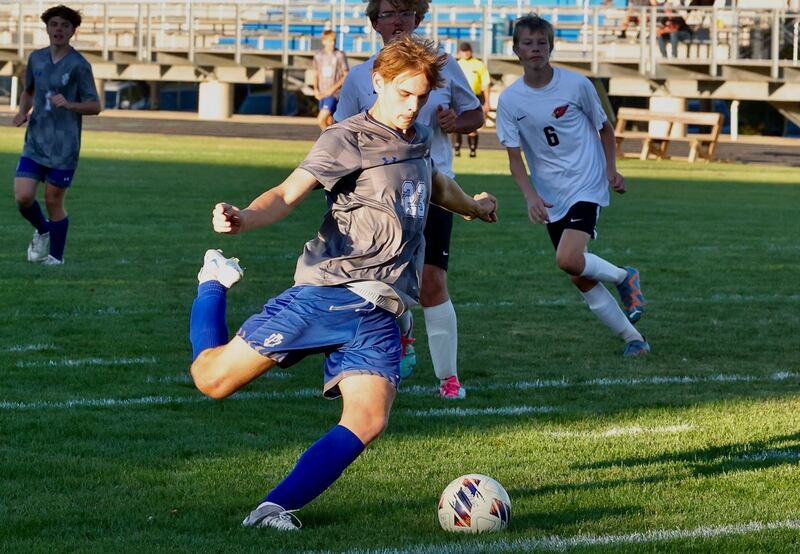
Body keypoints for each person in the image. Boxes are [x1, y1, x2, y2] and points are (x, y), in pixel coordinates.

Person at [188, 35, 498, 531]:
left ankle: (272, 509)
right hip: (329, 292)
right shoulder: (346, 138)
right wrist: (242, 217)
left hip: (381, 309)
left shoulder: (417, 135)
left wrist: (475, 207)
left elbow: (434, 183)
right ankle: (215, 280)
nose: (412, 106)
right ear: (378, 81)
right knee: (212, 380)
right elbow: (287, 194)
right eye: (403, 93)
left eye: (421, 97)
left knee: (369, 419)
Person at [334, 0, 485, 399]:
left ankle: (449, 379)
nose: (397, 20)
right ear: (374, 23)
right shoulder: (358, 78)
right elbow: (340, 136)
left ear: (419, 17)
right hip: (378, 194)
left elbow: (475, 115)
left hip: (435, 188)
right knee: (377, 281)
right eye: (387, 13)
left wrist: (457, 121)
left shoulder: (442, 64)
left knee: (433, 280)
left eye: (405, 11)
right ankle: (401, 337)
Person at [496, 14, 650, 358]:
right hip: (550, 192)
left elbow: (605, 129)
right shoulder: (510, 100)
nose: (535, 49)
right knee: (578, 274)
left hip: (586, 180)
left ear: (552, 46)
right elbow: (513, 157)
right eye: (528, 43)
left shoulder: (577, 85)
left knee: (568, 258)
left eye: (541, 42)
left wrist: (611, 170)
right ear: (516, 50)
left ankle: (625, 276)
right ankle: (634, 340)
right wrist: (531, 196)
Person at [13, 4, 100, 265]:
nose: (58, 29)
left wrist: (70, 104)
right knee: (23, 197)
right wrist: (22, 112)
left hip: (64, 147)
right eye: (54, 25)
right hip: (35, 141)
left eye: (64, 25)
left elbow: (95, 105)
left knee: (53, 200)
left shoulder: (79, 65)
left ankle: (56, 257)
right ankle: (43, 230)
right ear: (47, 29)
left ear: (73, 31)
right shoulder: (36, 59)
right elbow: (29, 90)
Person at [452, 42, 491, 158]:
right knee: (456, 123)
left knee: (473, 125)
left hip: (474, 96)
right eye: (463, 51)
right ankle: (457, 148)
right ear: (459, 52)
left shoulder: (479, 64)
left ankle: (472, 150)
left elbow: (485, 83)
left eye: (467, 50)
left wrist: (487, 101)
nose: (465, 53)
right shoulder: (456, 64)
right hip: (458, 97)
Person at [312, 29, 349, 131]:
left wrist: (333, 89)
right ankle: (334, 143)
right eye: (329, 41)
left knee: (321, 119)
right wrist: (315, 89)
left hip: (334, 94)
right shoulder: (318, 55)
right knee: (329, 122)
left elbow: (346, 75)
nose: (332, 43)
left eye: (334, 41)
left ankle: (326, 141)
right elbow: (316, 73)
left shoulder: (339, 55)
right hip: (323, 94)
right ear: (324, 41)